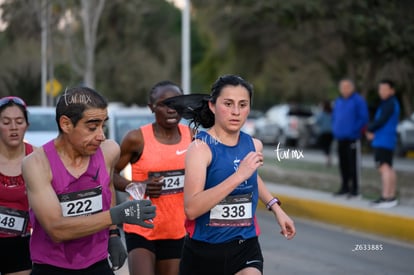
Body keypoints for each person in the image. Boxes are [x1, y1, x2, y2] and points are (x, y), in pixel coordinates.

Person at [162, 74, 296, 275]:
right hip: (204, 253)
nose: (236, 112)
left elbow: (252, 178)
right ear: (213, 106)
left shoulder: (253, 145)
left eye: (243, 105)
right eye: (228, 104)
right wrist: (238, 176)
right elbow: (192, 208)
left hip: (245, 246)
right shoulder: (200, 148)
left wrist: (276, 208)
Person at [22, 87, 156, 275]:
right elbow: (56, 229)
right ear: (66, 124)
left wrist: (113, 234)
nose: (101, 135)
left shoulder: (109, 151)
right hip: (52, 266)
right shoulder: (37, 163)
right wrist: (116, 216)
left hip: (97, 263)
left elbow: (107, 186)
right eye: (92, 127)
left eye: (103, 126)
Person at [113, 81, 192, 275]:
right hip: (141, 227)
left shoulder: (192, 136)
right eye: (164, 104)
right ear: (151, 107)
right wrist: (137, 186)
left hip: (177, 230)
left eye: (176, 103)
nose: (171, 110)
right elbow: (110, 174)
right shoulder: (136, 139)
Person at [0, 96, 33, 275]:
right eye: (6, 122)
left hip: (22, 244)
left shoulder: (38, 158)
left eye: (19, 121)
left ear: (26, 125)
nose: (13, 127)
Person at [332, 78, 369, 198]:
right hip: (340, 137)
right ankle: (344, 187)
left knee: (353, 164)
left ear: (352, 88)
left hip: (352, 138)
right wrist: (335, 129)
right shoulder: (338, 101)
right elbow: (334, 117)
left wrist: (354, 130)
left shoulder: (358, 100)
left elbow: (363, 118)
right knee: (343, 164)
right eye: (342, 87)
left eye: (347, 87)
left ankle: (355, 189)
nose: (344, 89)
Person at [366, 79, 400, 208]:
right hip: (387, 139)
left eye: (385, 89)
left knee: (384, 168)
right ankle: (390, 196)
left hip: (383, 140)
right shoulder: (389, 103)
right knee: (389, 168)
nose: (382, 92)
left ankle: (386, 198)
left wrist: (369, 129)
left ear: (392, 90)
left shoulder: (389, 103)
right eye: (380, 89)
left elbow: (381, 120)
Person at [315, 100, 334, 167]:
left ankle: (327, 159)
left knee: (325, 146)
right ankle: (329, 158)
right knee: (328, 146)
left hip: (324, 132)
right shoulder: (332, 113)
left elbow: (317, 121)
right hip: (331, 132)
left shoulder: (322, 113)